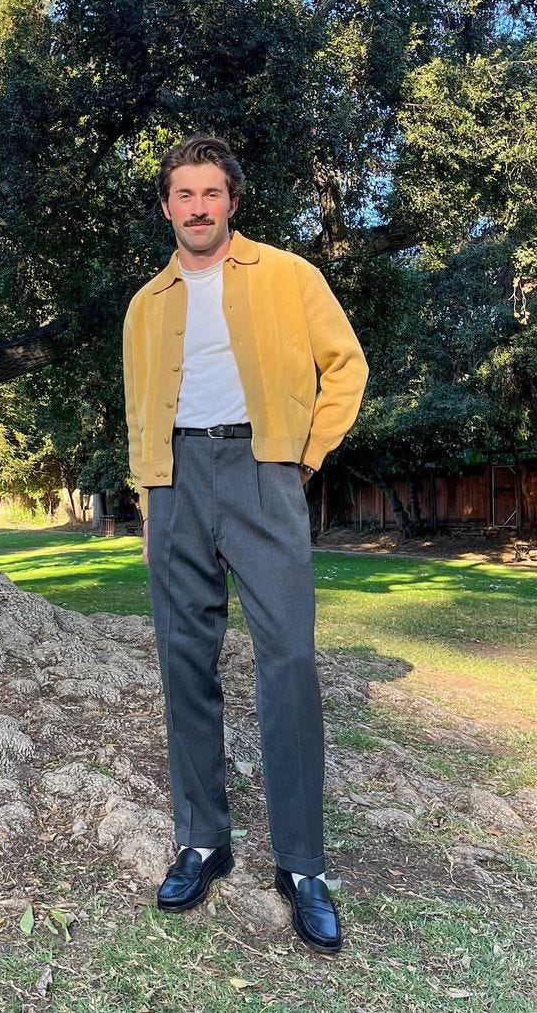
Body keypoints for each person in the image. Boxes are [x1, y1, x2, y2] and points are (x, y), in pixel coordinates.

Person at [122, 134, 368, 954]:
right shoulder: (145, 304)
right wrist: (150, 502)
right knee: (183, 659)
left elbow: (346, 366)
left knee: (288, 659)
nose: (197, 207)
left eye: (210, 193)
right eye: (183, 194)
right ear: (167, 206)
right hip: (175, 483)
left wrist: (303, 454)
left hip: (264, 470)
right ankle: (202, 840)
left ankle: (302, 864)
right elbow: (139, 409)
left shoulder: (289, 275)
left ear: (231, 200)